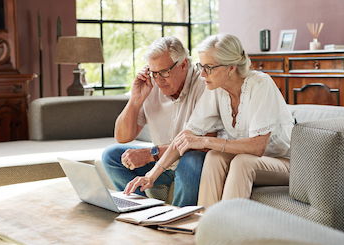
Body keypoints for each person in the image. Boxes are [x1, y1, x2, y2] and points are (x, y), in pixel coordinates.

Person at [123, 34, 294, 209]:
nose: (202, 74)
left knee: (242, 162)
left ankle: (228, 230)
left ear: (231, 67)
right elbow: (186, 136)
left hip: (285, 163)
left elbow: (258, 147)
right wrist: (151, 175)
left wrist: (205, 141)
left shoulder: (260, 84)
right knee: (214, 156)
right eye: (201, 66)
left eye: (209, 67)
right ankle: (204, 224)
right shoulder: (216, 89)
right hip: (252, 159)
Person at [102, 36, 206, 207]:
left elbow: (201, 142)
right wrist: (135, 99)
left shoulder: (203, 84)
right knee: (112, 155)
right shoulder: (150, 83)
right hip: (161, 162)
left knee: (193, 159)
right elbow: (122, 137)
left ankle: (176, 221)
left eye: (164, 72)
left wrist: (151, 153)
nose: (159, 80)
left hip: (190, 162)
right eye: (153, 72)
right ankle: (141, 212)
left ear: (184, 65)